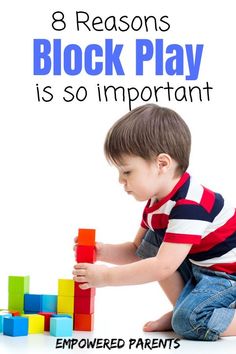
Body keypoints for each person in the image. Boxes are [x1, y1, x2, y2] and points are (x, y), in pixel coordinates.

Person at [73, 103, 236, 341]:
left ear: (162, 164)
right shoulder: (156, 203)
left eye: (127, 171)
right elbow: (139, 251)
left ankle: (191, 313)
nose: (121, 180)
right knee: (153, 243)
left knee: (190, 322)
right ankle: (185, 306)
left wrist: (106, 277)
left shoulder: (190, 205)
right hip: (200, 267)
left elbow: (162, 266)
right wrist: (101, 251)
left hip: (227, 277)